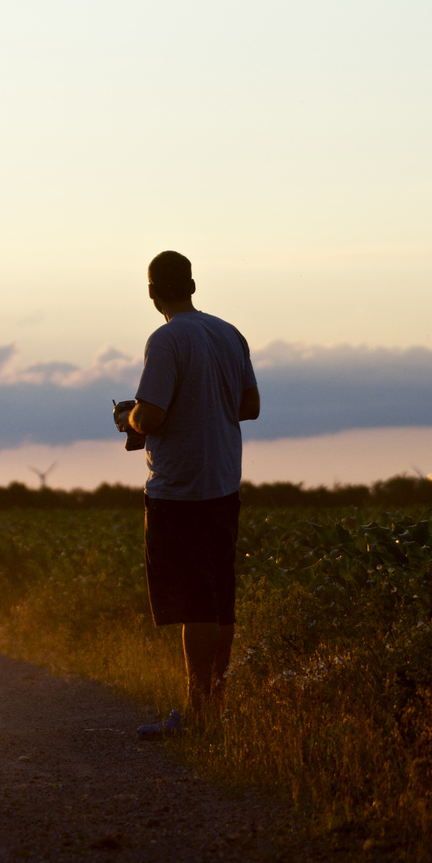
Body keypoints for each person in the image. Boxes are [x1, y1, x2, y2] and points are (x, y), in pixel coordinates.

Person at [113, 251, 260, 738]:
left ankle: (197, 714)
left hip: (180, 490)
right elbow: (250, 406)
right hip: (224, 482)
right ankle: (214, 708)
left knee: (196, 603)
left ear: (152, 292)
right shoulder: (228, 333)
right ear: (193, 284)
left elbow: (150, 417)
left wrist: (129, 418)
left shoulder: (166, 337)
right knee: (219, 601)